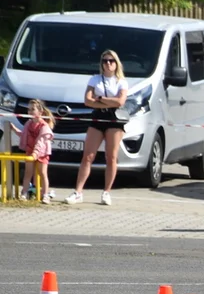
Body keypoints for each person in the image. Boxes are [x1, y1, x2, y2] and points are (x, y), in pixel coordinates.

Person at [65, 49, 128, 206]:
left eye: (111, 61)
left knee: (111, 156)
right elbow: (87, 101)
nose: (108, 63)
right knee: (88, 155)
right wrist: (106, 101)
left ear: (116, 63)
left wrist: (100, 99)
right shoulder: (95, 79)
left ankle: (106, 191)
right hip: (98, 116)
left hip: (114, 118)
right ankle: (78, 191)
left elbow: (120, 102)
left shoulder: (121, 81)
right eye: (105, 61)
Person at [18, 98, 54, 203]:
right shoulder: (28, 124)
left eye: (33, 109)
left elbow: (41, 141)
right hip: (30, 151)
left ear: (40, 112)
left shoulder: (44, 126)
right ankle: (24, 193)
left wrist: (35, 153)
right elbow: (23, 134)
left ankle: (45, 194)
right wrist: (13, 129)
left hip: (42, 153)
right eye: (29, 109)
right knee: (28, 173)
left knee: (43, 173)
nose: (30, 112)